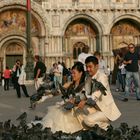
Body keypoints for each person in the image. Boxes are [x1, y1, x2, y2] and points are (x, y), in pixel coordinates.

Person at [36, 62, 86, 133]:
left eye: (74, 73)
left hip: (78, 111)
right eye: (71, 73)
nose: (72, 75)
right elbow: (58, 92)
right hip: (67, 106)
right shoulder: (70, 83)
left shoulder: (85, 85)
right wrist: (45, 97)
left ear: (81, 73)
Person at [79, 56, 121, 130]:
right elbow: (84, 92)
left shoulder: (102, 77)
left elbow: (96, 94)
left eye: (90, 67)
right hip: (96, 108)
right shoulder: (88, 77)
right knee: (79, 110)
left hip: (105, 111)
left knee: (87, 121)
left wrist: (85, 101)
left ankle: (106, 128)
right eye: (86, 67)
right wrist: (76, 99)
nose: (88, 69)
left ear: (97, 66)